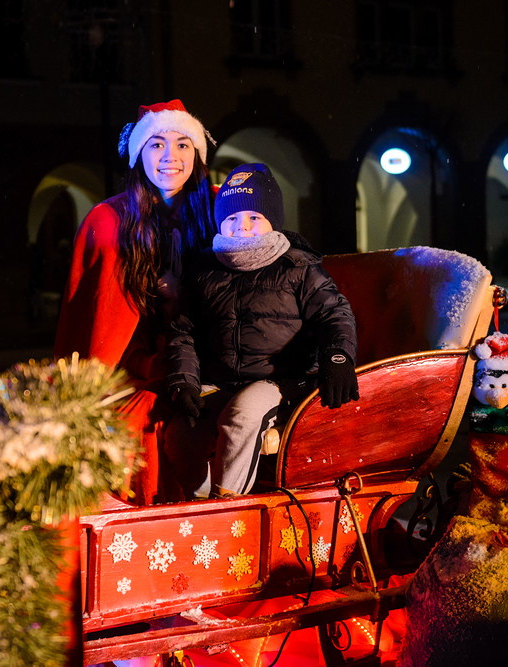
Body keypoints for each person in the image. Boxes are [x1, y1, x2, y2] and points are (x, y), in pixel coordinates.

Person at [53, 99, 217, 504]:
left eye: (183, 144)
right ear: (139, 153)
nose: (170, 157)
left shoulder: (221, 207)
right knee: (135, 424)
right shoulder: (107, 221)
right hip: (134, 367)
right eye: (157, 144)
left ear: (197, 154)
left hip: (212, 357)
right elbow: (89, 321)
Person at [166, 163, 359, 499]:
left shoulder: (298, 268)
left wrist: (338, 357)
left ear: (272, 220)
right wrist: (184, 380)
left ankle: (227, 504)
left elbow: (334, 315)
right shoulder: (205, 272)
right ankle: (197, 505)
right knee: (180, 430)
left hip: (281, 380)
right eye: (231, 219)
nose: (242, 228)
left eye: (253, 218)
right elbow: (183, 332)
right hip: (221, 380)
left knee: (243, 414)